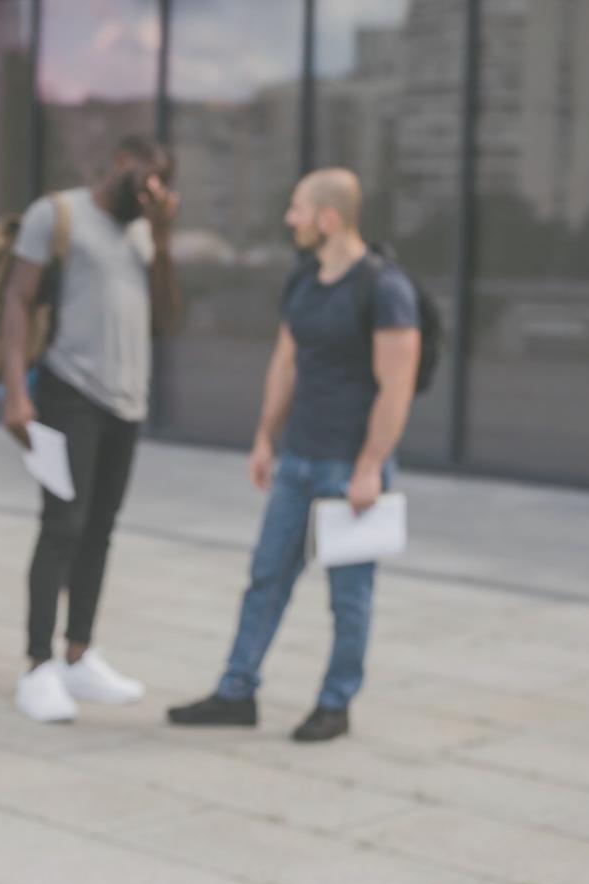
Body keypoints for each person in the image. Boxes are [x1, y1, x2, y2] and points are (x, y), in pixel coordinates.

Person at [167, 168, 420, 742]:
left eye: (297, 209)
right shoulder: (303, 278)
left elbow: (397, 386)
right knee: (266, 578)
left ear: (327, 218)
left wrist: (369, 466)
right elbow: (286, 361)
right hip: (298, 459)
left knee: (348, 597)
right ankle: (237, 692)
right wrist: (265, 437)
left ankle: (335, 703)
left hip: (349, 468)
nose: (290, 220)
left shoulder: (385, 288)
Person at [1, 135, 181, 723]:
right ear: (125, 165)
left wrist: (161, 235)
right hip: (68, 392)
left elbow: (166, 319)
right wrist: (18, 394)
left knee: (100, 529)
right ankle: (37, 665)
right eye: (150, 180)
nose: (155, 194)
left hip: (126, 402)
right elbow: (18, 300)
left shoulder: (142, 231)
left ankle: (80, 654)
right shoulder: (59, 214)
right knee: (62, 527)